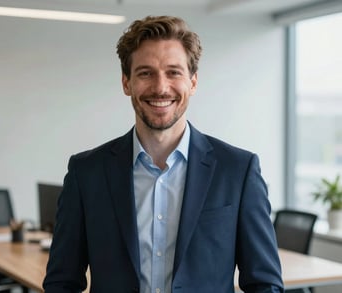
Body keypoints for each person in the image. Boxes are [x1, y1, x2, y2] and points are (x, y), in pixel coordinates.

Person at [43, 15, 284, 293]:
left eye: (173, 72)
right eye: (145, 73)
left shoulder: (238, 171)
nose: (160, 87)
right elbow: (62, 282)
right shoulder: (87, 172)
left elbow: (265, 284)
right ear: (126, 83)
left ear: (192, 82)